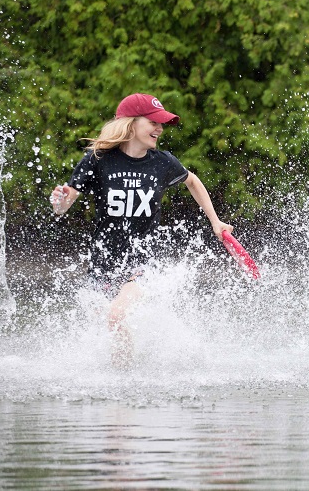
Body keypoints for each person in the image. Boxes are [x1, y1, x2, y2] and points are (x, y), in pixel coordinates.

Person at [50, 93, 233, 365]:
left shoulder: (162, 162)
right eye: (153, 122)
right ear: (131, 123)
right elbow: (63, 206)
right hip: (103, 260)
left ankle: (128, 380)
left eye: (161, 123)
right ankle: (123, 378)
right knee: (110, 326)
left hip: (143, 259)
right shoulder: (98, 160)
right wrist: (59, 202)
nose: (159, 129)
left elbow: (192, 182)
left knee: (115, 316)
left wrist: (215, 221)